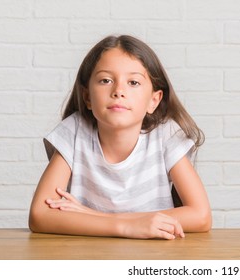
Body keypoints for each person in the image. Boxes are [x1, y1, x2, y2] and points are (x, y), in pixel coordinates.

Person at [29, 35, 211, 240]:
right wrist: (126, 226)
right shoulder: (75, 131)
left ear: (154, 100)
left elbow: (201, 216)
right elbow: (39, 215)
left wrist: (95, 217)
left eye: (133, 82)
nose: (118, 91)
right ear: (87, 97)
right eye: (106, 80)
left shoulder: (165, 134)